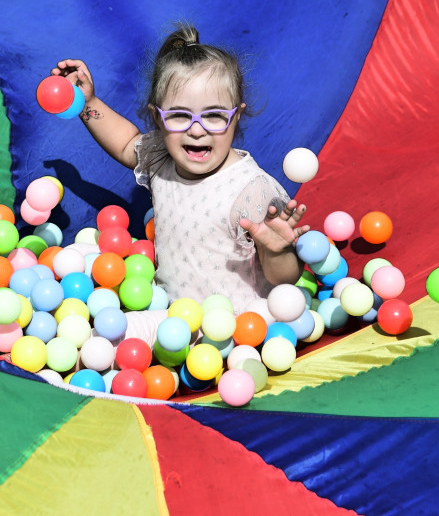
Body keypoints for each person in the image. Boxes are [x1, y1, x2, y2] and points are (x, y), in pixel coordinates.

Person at [52, 23, 309, 328]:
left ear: (236, 115)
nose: (197, 129)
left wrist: (276, 251)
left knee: (109, 334)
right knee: (102, 331)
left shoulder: (252, 190)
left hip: (239, 328)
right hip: (175, 321)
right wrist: (87, 104)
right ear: (157, 118)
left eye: (214, 115)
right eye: (179, 115)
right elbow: (124, 143)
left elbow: (285, 280)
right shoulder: (162, 160)